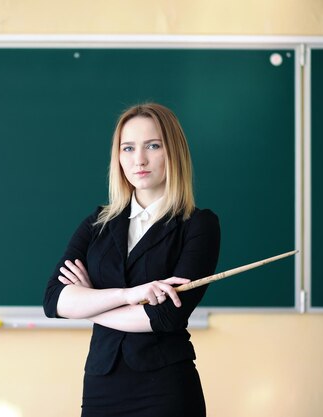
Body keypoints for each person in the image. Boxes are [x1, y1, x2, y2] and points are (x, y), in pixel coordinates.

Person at [43, 103, 221, 417]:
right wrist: (129, 295)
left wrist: (90, 304)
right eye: (128, 148)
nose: (139, 159)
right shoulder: (97, 223)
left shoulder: (198, 225)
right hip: (102, 387)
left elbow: (165, 317)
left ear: (173, 152)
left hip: (165, 389)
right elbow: (54, 301)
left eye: (153, 146)